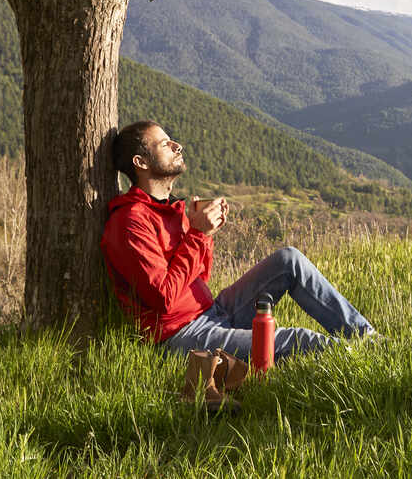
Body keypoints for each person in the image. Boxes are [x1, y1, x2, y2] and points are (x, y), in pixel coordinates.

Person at [101, 120, 377, 362]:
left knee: (288, 260)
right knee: (298, 341)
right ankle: (367, 361)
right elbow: (163, 298)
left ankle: (372, 343)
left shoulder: (170, 209)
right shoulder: (130, 221)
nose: (177, 146)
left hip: (213, 310)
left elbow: (201, 274)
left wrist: (206, 233)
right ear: (141, 162)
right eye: (165, 144)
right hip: (181, 335)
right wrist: (198, 235)